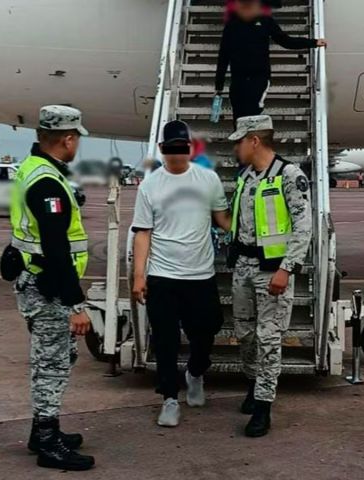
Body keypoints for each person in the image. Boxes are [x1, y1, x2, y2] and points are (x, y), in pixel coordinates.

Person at [9, 106, 95, 471]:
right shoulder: (48, 183)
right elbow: (57, 247)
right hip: (50, 288)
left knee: (54, 359)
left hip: (37, 281)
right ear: (68, 138)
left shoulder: (32, 169)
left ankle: (43, 430)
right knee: (52, 364)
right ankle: (46, 441)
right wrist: (76, 303)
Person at [131, 120, 230, 428]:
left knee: (207, 330)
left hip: (200, 274)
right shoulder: (150, 185)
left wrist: (251, 234)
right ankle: (170, 398)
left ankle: (196, 372)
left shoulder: (208, 180)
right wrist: (138, 275)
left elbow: (222, 219)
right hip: (162, 275)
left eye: (181, 148)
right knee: (165, 340)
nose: (176, 155)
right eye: (170, 149)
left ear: (189, 148)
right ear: (162, 150)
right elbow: (142, 233)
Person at [227, 115, 312, 437]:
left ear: (254, 141)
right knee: (245, 334)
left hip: (272, 271)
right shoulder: (246, 177)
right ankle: (252, 383)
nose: (235, 147)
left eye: (239, 141)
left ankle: (264, 404)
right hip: (244, 268)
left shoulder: (289, 175)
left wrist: (286, 269)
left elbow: (303, 226)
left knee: (269, 338)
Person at [215, 0, 327, 126]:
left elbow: (286, 41)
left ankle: (252, 142)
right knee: (238, 118)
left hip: (259, 77)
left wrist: (313, 42)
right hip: (238, 79)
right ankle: (241, 143)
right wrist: (219, 85)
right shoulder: (232, 25)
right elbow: (223, 56)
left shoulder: (265, 21)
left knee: (252, 114)